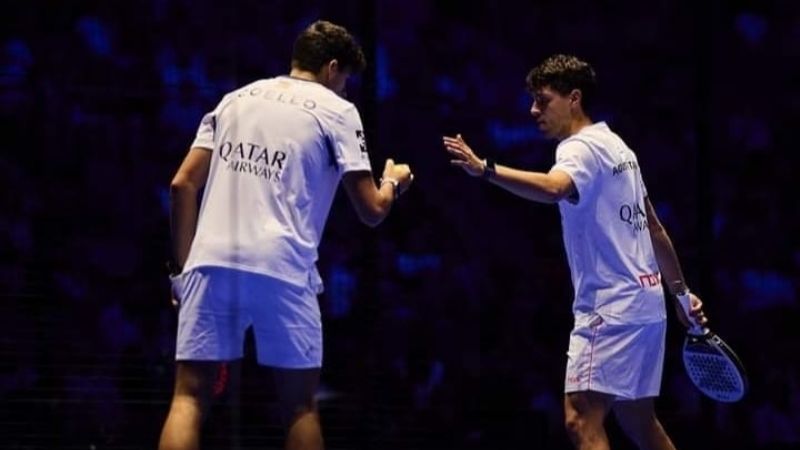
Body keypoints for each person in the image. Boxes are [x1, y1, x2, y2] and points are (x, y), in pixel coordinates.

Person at [159, 20, 414, 450]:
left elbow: (182, 185)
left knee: (188, 399)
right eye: (346, 80)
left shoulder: (233, 101)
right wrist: (393, 181)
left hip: (209, 262)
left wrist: (182, 274)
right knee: (299, 407)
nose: (346, 90)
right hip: (283, 267)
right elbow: (372, 210)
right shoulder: (337, 110)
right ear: (333, 68)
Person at [443, 54, 706, 450]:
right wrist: (681, 295)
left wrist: (486, 169)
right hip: (647, 305)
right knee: (638, 419)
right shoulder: (619, 147)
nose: (534, 110)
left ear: (574, 99)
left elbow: (554, 189)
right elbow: (653, 226)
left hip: (610, 307)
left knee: (580, 419)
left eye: (543, 100)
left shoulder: (578, 148)